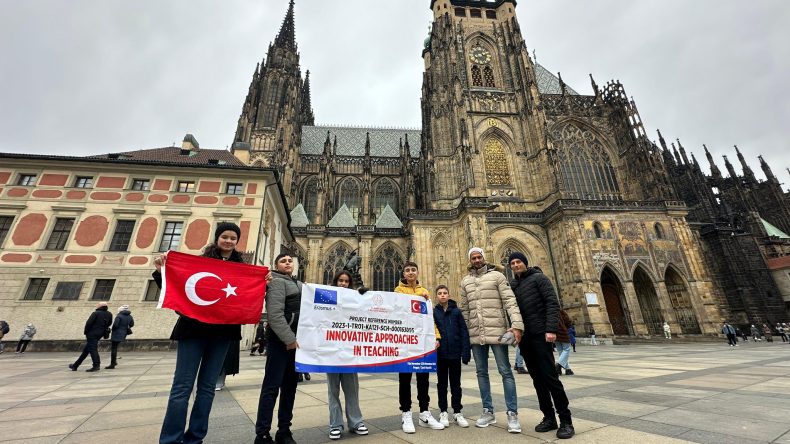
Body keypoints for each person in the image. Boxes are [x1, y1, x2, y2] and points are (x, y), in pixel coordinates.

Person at [158, 222, 249, 444]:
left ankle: (195, 438)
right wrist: (162, 269)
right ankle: (171, 439)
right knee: (182, 387)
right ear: (217, 238)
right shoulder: (199, 262)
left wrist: (263, 283)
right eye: (224, 237)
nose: (228, 241)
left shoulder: (242, 267)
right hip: (193, 331)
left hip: (223, 334)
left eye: (233, 238)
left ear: (237, 242)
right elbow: (176, 285)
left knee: (207, 388)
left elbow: (247, 296)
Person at [508, 252, 574, 439]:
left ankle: (566, 421)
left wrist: (551, 329)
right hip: (525, 337)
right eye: (512, 263)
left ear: (525, 263)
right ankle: (549, 417)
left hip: (541, 335)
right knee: (537, 380)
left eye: (518, 262)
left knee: (550, 378)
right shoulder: (514, 285)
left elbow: (552, 304)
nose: (515, 265)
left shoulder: (539, 279)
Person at [459, 247, 524, 433]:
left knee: (506, 372)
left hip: (497, 332)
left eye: (479, 257)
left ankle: (512, 414)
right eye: (474, 258)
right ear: (470, 260)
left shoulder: (498, 277)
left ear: (484, 258)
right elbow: (465, 310)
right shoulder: (466, 281)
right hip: (476, 334)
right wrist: (465, 336)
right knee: (481, 372)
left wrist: (517, 325)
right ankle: (488, 411)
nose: (477, 260)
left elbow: (510, 301)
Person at [255, 253, 303, 444]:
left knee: (290, 387)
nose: (288, 263)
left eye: (290, 260)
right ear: (276, 265)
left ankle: (284, 431)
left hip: (296, 342)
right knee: (272, 387)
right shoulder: (275, 282)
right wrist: (289, 339)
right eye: (283, 261)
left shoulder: (299, 284)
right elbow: (274, 315)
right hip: (280, 341)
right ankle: (262, 434)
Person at [394, 261, 445, 433]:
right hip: (405, 341)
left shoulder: (424, 292)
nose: (410, 273)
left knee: (423, 378)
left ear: (417, 272)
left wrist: (436, 336)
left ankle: (424, 412)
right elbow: (395, 311)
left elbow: (428, 317)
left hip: (422, 341)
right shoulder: (398, 291)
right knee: (405, 378)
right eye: (407, 270)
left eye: (413, 270)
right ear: (403, 273)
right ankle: (406, 413)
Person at [325, 271, 369, 440]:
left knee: (352, 390)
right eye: (340, 281)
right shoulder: (327, 298)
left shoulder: (354, 298)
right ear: (335, 282)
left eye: (346, 281)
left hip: (350, 352)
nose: (343, 283)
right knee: (333, 391)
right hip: (332, 351)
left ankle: (356, 422)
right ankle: (335, 424)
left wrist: (366, 296)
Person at [433, 284, 471, 428]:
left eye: (445, 293)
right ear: (436, 296)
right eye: (440, 293)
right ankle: (443, 411)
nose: (442, 295)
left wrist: (465, 352)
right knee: (441, 384)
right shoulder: (434, 313)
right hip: (441, 355)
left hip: (455, 354)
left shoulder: (456, 312)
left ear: (448, 295)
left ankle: (457, 412)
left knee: (456, 384)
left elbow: (463, 332)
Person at [69, 302, 112, 372]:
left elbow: (88, 323)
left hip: (92, 334)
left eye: (97, 305)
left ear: (99, 306)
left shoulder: (95, 313)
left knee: (92, 349)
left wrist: (86, 332)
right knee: (86, 350)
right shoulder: (109, 314)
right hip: (100, 334)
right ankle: (75, 365)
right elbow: (109, 323)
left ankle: (96, 365)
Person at [106, 305, 134, 369]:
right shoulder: (130, 316)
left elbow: (115, 325)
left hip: (116, 333)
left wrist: (112, 330)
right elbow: (132, 324)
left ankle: (112, 364)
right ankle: (114, 362)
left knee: (113, 348)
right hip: (123, 333)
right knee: (115, 347)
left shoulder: (119, 316)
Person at [555, 311, 574, 376]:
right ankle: (558, 365)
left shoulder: (549, 312)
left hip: (555, 334)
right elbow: (568, 322)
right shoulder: (561, 312)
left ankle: (568, 369)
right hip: (563, 333)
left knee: (561, 352)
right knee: (566, 349)